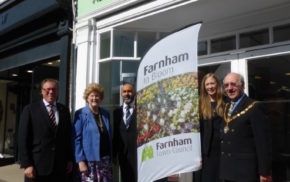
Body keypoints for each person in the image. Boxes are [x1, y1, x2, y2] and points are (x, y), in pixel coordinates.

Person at [18, 78, 73, 182]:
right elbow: (23, 139)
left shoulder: (64, 110)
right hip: (37, 167)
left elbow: (67, 137)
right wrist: (27, 164)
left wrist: (70, 160)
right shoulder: (30, 110)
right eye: (48, 89)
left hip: (60, 167)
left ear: (57, 91)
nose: (51, 92)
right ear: (42, 91)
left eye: (54, 89)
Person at [220, 72, 272, 182]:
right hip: (228, 171)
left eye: (233, 84)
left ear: (243, 86)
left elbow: (262, 142)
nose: (229, 88)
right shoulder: (226, 107)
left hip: (245, 171)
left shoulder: (254, 107)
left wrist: (264, 172)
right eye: (226, 85)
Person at [73, 83, 112, 182]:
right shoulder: (80, 114)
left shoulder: (105, 114)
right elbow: (76, 139)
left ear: (101, 98)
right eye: (92, 96)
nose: (95, 98)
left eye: (97, 95)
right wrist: (80, 161)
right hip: (89, 161)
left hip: (105, 160)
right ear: (87, 98)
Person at [199, 73, 224, 182]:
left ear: (217, 84)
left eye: (212, 83)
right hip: (207, 152)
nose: (210, 87)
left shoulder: (226, 102)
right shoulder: (200, 104)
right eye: (207, 84)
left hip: (224, 150)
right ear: (204, 87)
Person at [113, 82, 137, 182]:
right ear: (121, 94)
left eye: (129, 91)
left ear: (134, 93)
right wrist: (114, 155)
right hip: (123, 155)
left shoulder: (141, 110)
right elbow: (116, 134)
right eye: (124, 91)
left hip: (137, 154)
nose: (127, 94)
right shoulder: (116, 112)